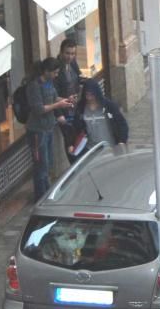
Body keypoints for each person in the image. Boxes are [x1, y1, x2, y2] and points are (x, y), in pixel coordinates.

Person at [27, 57, 74, 201]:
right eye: (54, 72)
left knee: (49, 163)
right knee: (41, 164)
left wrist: (65, 100)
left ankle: (47, 193)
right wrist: (57, 106)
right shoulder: (34, 86)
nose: (56, 75)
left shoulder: (48, 83)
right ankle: (41, 196)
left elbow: (53, 98)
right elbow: (39, 109)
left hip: (48, 127)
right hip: (37, 130)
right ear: (46, 71)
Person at [66, 79, 129, 157]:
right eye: (87, 95)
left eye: (92, 95)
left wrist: (122, 141)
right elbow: (75, 127)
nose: (89, 98)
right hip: (91, 150)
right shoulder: (81, 108)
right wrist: (71, 144)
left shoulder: (109, 106)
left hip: (110, 149)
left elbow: (122, 123)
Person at [55, 38, 82, 163]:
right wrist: (59, 114)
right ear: (61, 52)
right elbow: (52, 94)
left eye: (72, 54)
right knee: (69, 139)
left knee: (78, 135)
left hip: (74, 107)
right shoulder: (56, 68)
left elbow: (78, 78)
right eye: (67, 53)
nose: (70, 57)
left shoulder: (73, 63)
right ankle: (74, 166)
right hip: (63, 110)